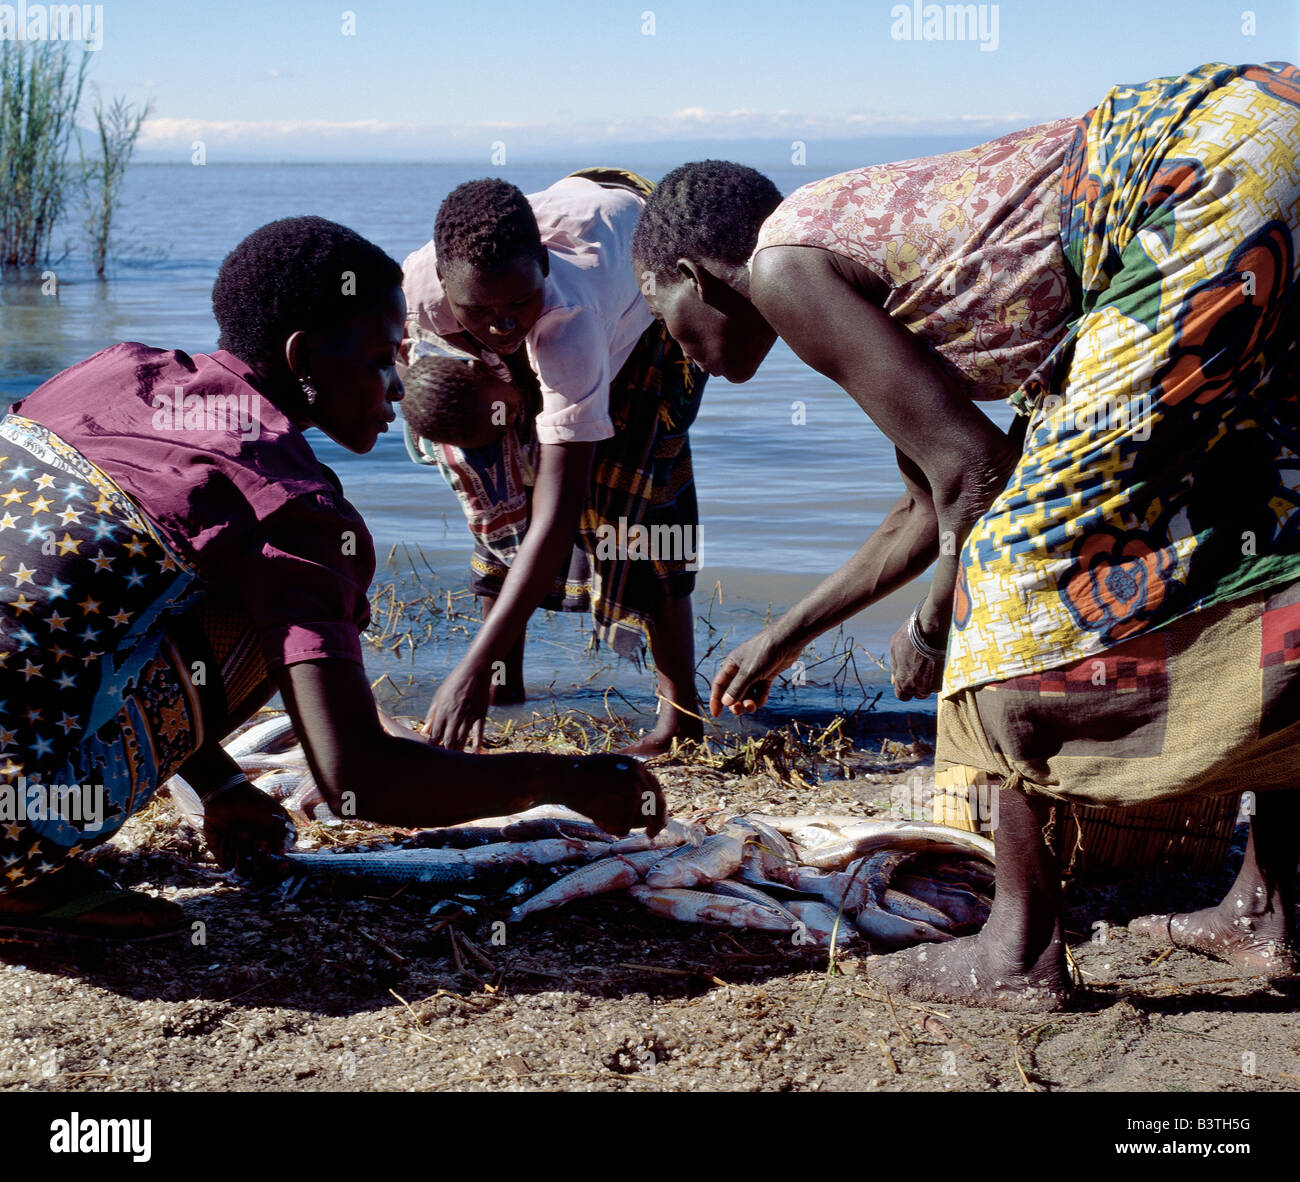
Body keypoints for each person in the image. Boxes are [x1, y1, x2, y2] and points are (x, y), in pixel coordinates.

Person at [631, 62, 1300, 1009]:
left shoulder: (783, 269)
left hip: (1192, 172)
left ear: (694, 276)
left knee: (1015, 566)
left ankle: (1016, 953)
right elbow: (925, 501)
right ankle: (1267, 906)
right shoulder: (860, 257)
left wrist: (940, 626)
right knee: (1268, 521)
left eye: (667, 319)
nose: (680, 351)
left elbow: (978, 481)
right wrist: (785, 637)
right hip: (1267, 132)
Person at [0, 215, 663, 943]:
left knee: (143, 583)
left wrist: (218, 785)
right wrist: (569, 781)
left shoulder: (110, 373)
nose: (399, 388)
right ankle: (22, 886)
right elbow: (358, 779)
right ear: (305, 356)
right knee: (269, 608)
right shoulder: (290, 509)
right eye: (382, 359)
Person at [402, 170, 706, 757]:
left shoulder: (571, 324)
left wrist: (465, 665)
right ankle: (501, 687)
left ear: (541, 261)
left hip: (645, 298)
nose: (504, 324)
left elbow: (558, 517)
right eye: (479, 310)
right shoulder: (416, 291)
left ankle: (680, 721)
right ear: (442, 284)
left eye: (519, 301)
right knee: (495, 485)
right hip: (537, 302)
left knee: (644, 510)